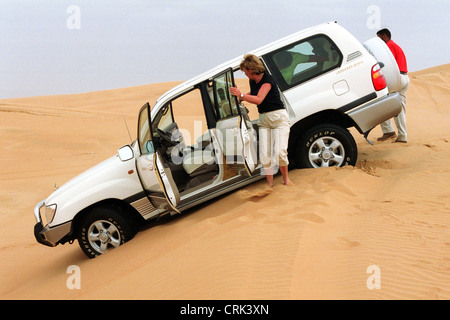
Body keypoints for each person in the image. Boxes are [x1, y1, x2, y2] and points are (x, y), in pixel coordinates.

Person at [230, 54, 290, 187]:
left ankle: (286, 180)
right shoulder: (252, 80)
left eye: (245, 70)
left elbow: (259, 99)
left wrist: (241, 94)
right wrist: (241, 97)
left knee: (280, 152)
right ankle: (270, 185)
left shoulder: (268, 79)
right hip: (264, 119)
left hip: (279, 118)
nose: (244, 73)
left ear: (251, 69)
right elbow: (253, 93)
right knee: (264, 155)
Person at [376, 28, 410, 143]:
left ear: (384, 36)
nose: (379, 41)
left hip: (397, 79)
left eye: (379, 38)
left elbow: (385, 65)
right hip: (405, 77)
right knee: (400, 109)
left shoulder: (388, 47)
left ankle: (389, 131)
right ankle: (400, 135)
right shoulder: (396, 46)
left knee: (381, 104)